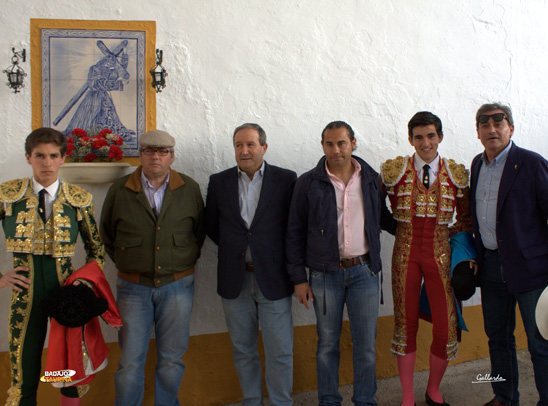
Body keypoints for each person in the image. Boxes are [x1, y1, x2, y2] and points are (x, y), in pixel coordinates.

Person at [286, 121, 395, 406]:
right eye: (330, 144)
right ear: (322, 146)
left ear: (353, 143)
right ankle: (329, 401)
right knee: (326, 346)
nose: (336, 150)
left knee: (366, 348)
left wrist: (417, 227)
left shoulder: (371, 179)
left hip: (365, 272)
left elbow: (383, 218)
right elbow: (295, 232)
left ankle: (364, 401)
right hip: (324, 275)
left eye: (342, 143)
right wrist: (299, 278)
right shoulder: (307, 183)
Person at [0, 127, 105, 406]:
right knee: (25, 366)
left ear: (63, 159)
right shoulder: (8, 194)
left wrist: (84, 283)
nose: (46, 162)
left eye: (53, 156)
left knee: (68, 366)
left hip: (67, 294)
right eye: (40, 155)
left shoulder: (78, 199)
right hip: (25, 294)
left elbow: (97, 251)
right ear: (28, 157)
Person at [100, 129, 205, 406]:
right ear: (140, 155)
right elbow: (107, 236)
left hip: (178, 286)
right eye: (149, 150)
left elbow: (199, 232)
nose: (155, 156)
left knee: (172, 359)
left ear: (172, 156)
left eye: (162, 152)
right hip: (133, 288)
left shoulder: (189, 189)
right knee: (130, 361)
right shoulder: (120, 190)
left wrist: (180, 262)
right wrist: (130, 264)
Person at [380, 112, 471, 406]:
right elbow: (374, 206)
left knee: (446, 328)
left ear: (440, 137)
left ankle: (433, 390)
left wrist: (463, 250)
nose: (425, 142)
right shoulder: (394, 171)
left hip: (441, 254)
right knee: (404, 324)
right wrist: (396, 227)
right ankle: (407, 397)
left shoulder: (456, 173)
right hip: (405, 252)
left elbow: (467, 218)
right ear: (410, 139)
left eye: (431, 136)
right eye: (419, 137)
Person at [205, 123, 297, 406]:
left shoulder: (286, 179)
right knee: (243, 351)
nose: (244, 151)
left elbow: (293, 228)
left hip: (274, 278)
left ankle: (281, 402)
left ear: (264, 148)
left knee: (280, 352)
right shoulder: (218, 182)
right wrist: (238, 251)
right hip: (235, 281)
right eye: (238, 145)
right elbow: (212, 226)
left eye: (250, 145)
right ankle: (252, 401)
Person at [470, 103, 548, 406]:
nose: (492, 130)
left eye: (498, 124)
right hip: (490, 266)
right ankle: (503, 397)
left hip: (532, 269)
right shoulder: (477, 164)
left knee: (541, 343)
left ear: (510, 129)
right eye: (484, 125)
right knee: (498, 339)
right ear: (477, 132)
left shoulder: (530, 163)